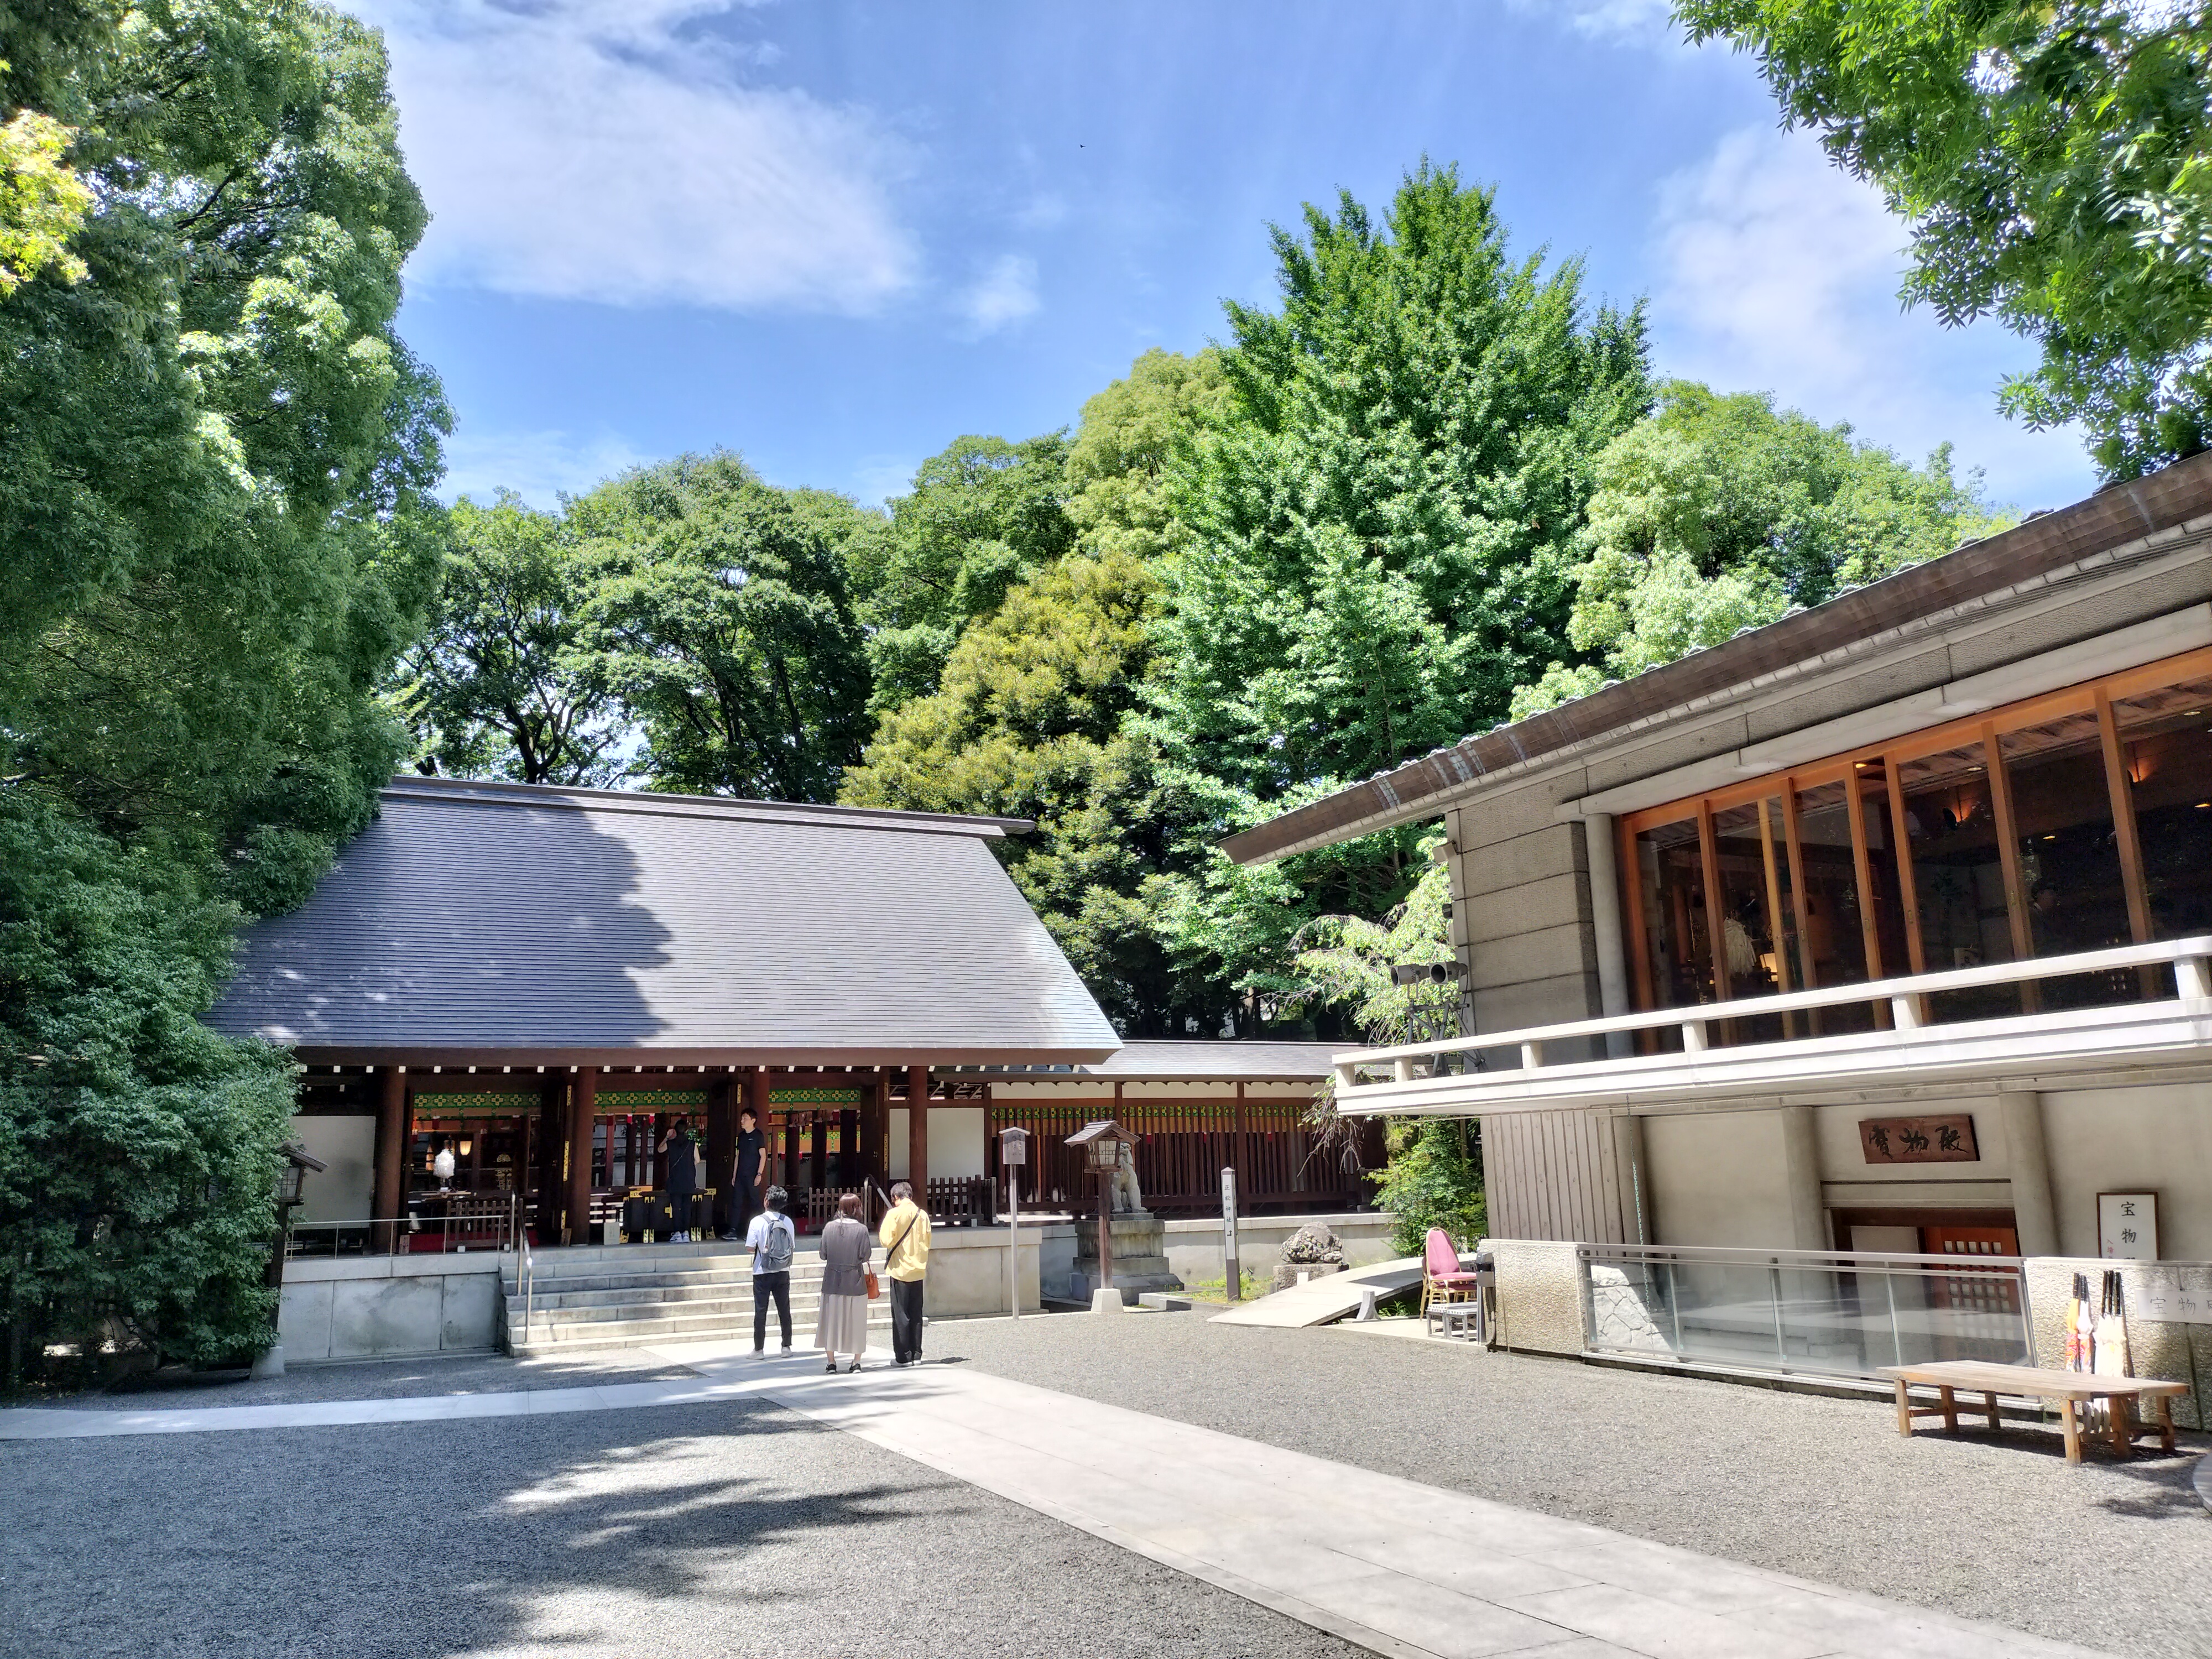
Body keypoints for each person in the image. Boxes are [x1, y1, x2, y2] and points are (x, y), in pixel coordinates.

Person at [815, 1193, 872, 1373]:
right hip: (855, 1281)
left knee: (830, 1322)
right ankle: (856, 1362)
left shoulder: (829, 1227)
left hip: (832, 1280)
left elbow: (823, 1254)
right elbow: (866, 1255)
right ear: (857, 1208)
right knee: (857, 1322)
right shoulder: (861, 1230)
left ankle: (831, 1362)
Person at [879, 1180, 932, 1366]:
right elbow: (928, 1241)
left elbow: (885, 1240)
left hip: (900, 1269)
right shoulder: (923, 1215)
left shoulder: (894, 1214)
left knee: (901, 1314)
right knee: (916, 1313)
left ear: (896, 1197)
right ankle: (917, 1354)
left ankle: (903, 1356)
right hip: (918, 1270)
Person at [745, 1185, 796, 1355]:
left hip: (762, 1271)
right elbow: (792, 1246)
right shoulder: (787, 1221)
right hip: (783, 1269)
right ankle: (786, 1347)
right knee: (784, 1309)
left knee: (761, 1310)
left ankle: (759, 1349)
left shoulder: (757, 1221)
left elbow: (750, 1247)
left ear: (766, 1201)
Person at [723, 1106, 766, 1241]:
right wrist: (734, 1175)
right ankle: (733, 1230)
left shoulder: (758, 1135)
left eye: (745, 1119)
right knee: (736, 1202)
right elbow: (738, 1156)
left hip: (752, 1175)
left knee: (755, 1203)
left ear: (753, 1120)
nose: (742, 1121)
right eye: (742, 1118)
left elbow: (763, 1156)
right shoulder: (741, 1136)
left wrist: (759, 1174)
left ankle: (756, 1230)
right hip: (740, 1175)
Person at [659, 1114, 700, 1241]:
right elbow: (698, 1160)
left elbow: (660, 1150)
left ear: (675, 1130)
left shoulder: (670, 1143)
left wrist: (667, 1137)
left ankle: (677, 1233)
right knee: (687, 1207)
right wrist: (688, 1166)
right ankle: (686, 1233)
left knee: (676, 1208)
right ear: (686, 1130)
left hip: (675, 1179)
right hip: (688, 1179)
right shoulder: (692, 1144)